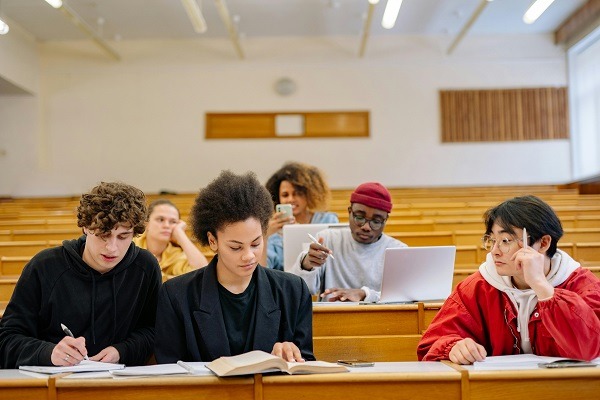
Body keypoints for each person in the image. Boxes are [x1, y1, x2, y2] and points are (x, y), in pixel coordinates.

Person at [154, 170, 315, 363]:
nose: (248, 256)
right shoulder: (176, 295)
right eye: (235, 247)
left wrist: (291, 354)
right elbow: (169, 372)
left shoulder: (293, 291)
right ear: (212, 241)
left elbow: (306, 367)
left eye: (256, 244)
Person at [418, 195, 600, 364]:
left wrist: (542, 287)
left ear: (543, 243)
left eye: (505, 240)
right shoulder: (477, 286)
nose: (494, 251)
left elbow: (588, 349)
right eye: (491, 240)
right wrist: (453, 347)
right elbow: (431, 344)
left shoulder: (583, 286)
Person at [0, 182, 161, 369]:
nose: (112, 248)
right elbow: (7, 339)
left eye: (123, 236)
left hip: (120, 384)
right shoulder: (44, 266)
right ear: (85, 227)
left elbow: (155, 331)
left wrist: (122, 351)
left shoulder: (145, 267)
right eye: (103, 234)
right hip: (54, 384)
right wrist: (48, 352)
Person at [289, 182, 406, 302]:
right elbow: (299, 289)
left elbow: (405, 297)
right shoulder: (327, 239)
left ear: (385, 220)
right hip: (331, 317)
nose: (366, 227)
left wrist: (365, 294)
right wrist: (308, 263)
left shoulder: (398, 250)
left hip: (379, 319)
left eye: (376, 221)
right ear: (350, 212)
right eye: (359, 217)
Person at [262, 162, 339, 271]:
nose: (291, 199)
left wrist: (297, 230)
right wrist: (264, 235)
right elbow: (263, 269)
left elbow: (335, 260)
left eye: (297, 193)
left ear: (309, 194)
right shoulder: (273, 232)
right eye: (285, 195)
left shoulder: (327, 220)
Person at [134, 199, 208, 278]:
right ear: (146, 224)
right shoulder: (131, 245)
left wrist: (180, 234)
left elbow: (203, 272)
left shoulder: (174, 255)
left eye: (173, 222)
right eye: (161, 219)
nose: (167, 225)